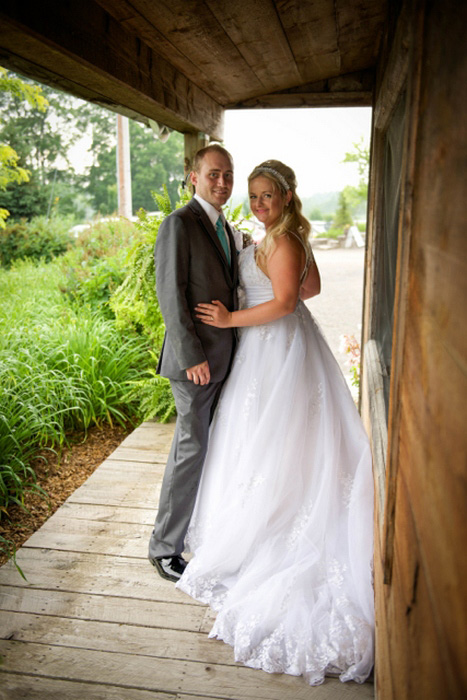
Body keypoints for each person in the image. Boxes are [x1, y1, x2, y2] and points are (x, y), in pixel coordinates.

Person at [176, 160, 375, 686]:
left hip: (276, 345)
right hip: (271, 348)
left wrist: (231, 318)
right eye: (254, 195)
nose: (259, 203)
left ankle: (277, 521)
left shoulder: (282, 240)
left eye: (267, 195)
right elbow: (308, 290)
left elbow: (289, 301)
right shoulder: (280, 237)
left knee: (274, 436)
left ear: (287, 196)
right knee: (264, 437)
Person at [148, 144, 239, 582]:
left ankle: (203, 533)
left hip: (227, 358)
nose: (222, 182)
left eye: (228, 175)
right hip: (196, 363)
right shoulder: (178, 224)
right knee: (191, 449)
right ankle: (164, 548)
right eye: (214, 174)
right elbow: (171, 296)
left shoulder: (226, 227)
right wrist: (191, 357)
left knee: (211, 447)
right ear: (193, 177)